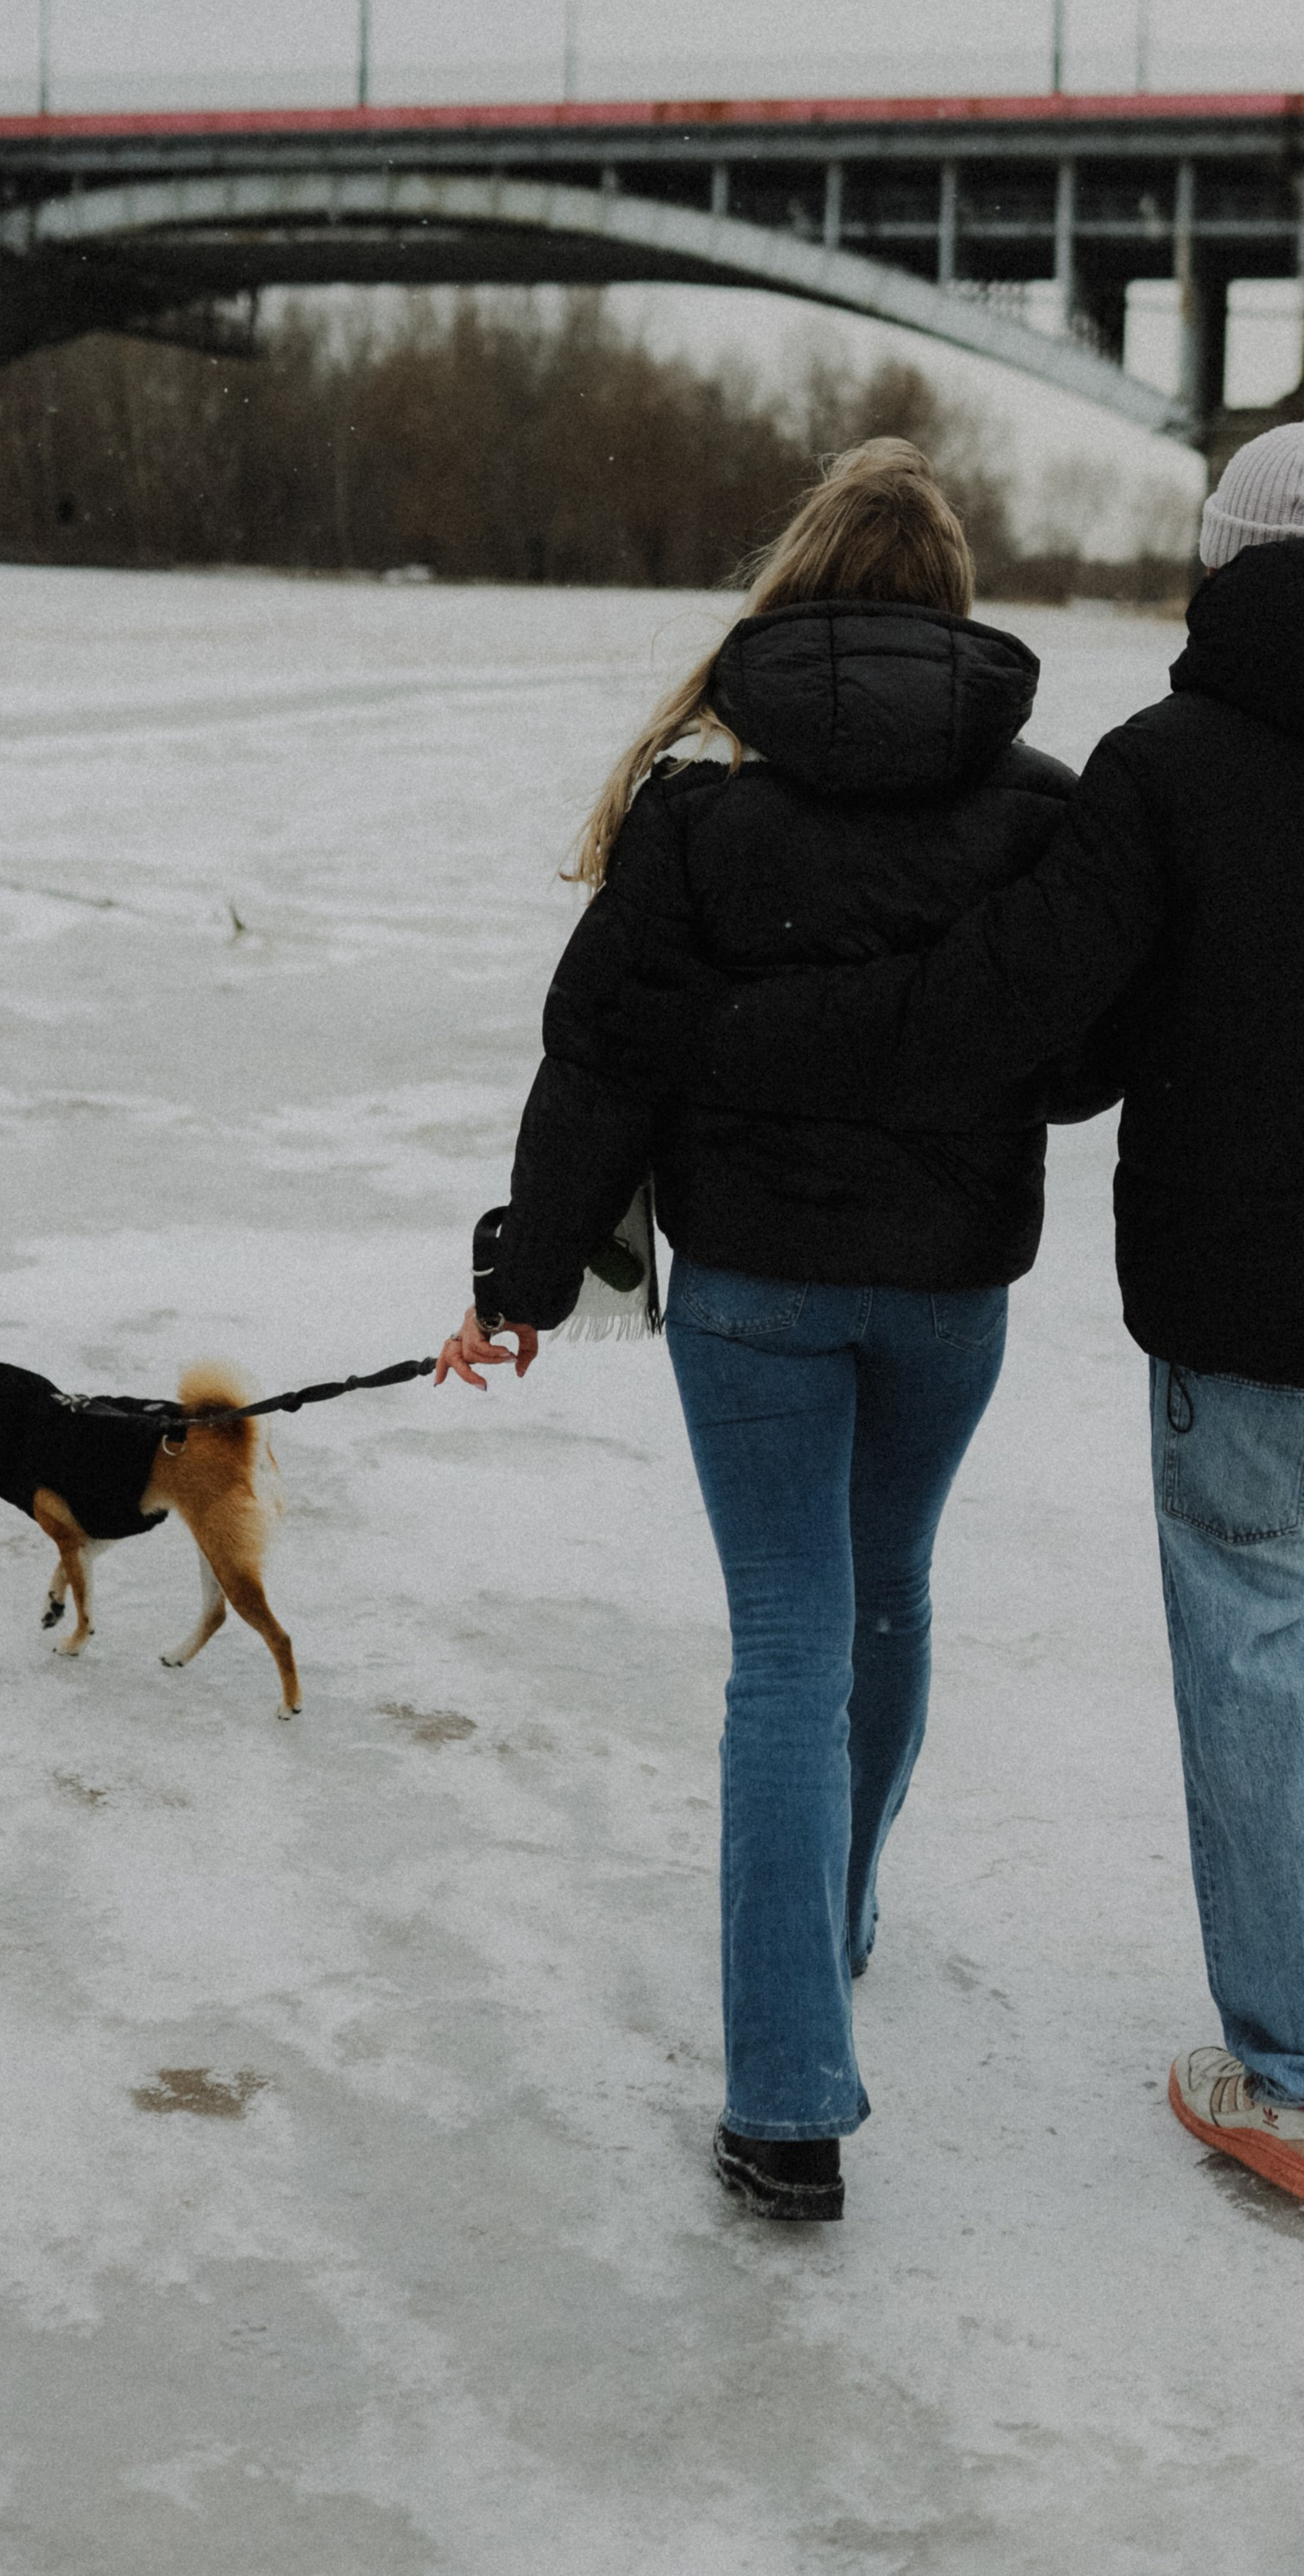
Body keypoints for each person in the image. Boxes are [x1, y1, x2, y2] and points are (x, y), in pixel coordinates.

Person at [603, 420, 1304, 2212]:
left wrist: (735, 1046)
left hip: (1247, 1301)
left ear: (1219, 561)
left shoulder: (1172, 769)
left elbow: (1013, 1020)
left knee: (1256, 1639)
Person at [434, 440, 1113, 2224]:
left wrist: (521, 1275)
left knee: (786, 1646)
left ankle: (786, 2095)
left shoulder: (693, 815)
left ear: (789, 590)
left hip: (752, 1295)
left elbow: (599, 1065)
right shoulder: (1035, 814)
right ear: (947, 605)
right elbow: (1076, 1058)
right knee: (882, 1598)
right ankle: (833, 1918)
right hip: (951, 1285)